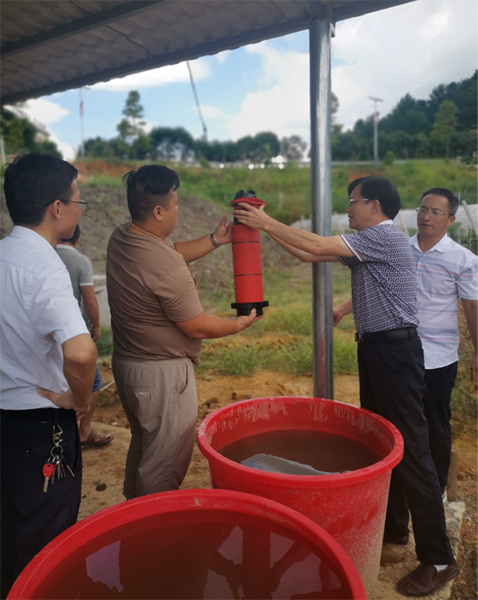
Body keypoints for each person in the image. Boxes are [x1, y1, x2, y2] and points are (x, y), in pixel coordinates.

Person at [233, 176, 459, 597]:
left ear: (374, 205)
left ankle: (439, 558)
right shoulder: (368, 243)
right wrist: (266, 228)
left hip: (395, 354)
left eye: (353, 201)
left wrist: (265, 222)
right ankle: (395, 530)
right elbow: (308, 253)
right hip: (377, 351)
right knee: (385, 442)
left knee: (413, 451)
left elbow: (317, 243)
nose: (349, 208)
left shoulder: (385, 237)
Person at [106, 165, 261, 500]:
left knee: (146, 443)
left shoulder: (123, 238)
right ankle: (154, 524)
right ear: (159, 212)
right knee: (163, 464)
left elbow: (169, 253)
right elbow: (196, 325)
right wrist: (238, 324)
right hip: (161, 375)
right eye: (175, 204)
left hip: (128, 365)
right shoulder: (168, 267)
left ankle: (133, 510)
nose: (179, 210)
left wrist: (215, 240)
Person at [0, 153, 97, 597]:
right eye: (78, 201)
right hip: (39, 428)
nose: (80, 210)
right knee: (46, 542)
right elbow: (80, 351)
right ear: (57, 208)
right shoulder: (45, 267)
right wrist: (80, 399)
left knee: (7, 532)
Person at [410, 188, 477, 496]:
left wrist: (477, 353)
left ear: (450, 219)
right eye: (423, 209)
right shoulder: (402, 250)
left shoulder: (463, 259)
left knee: (435, 421)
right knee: (401, 419)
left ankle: (434, 488)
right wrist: (344, 309)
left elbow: (472, 308)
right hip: (401, 352)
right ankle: (402, 484)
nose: (426, 216)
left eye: (436, 212)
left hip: (438, 357)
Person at [56, 225, 114, 448]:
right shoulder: (80, 261)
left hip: (47, 334)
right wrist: (97, 326)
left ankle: (59, 431)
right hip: (73, 332)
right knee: (93, 381)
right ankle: (84, 432)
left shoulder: (45, 255)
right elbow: (89, 300)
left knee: (58, 380)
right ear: (77, 240)